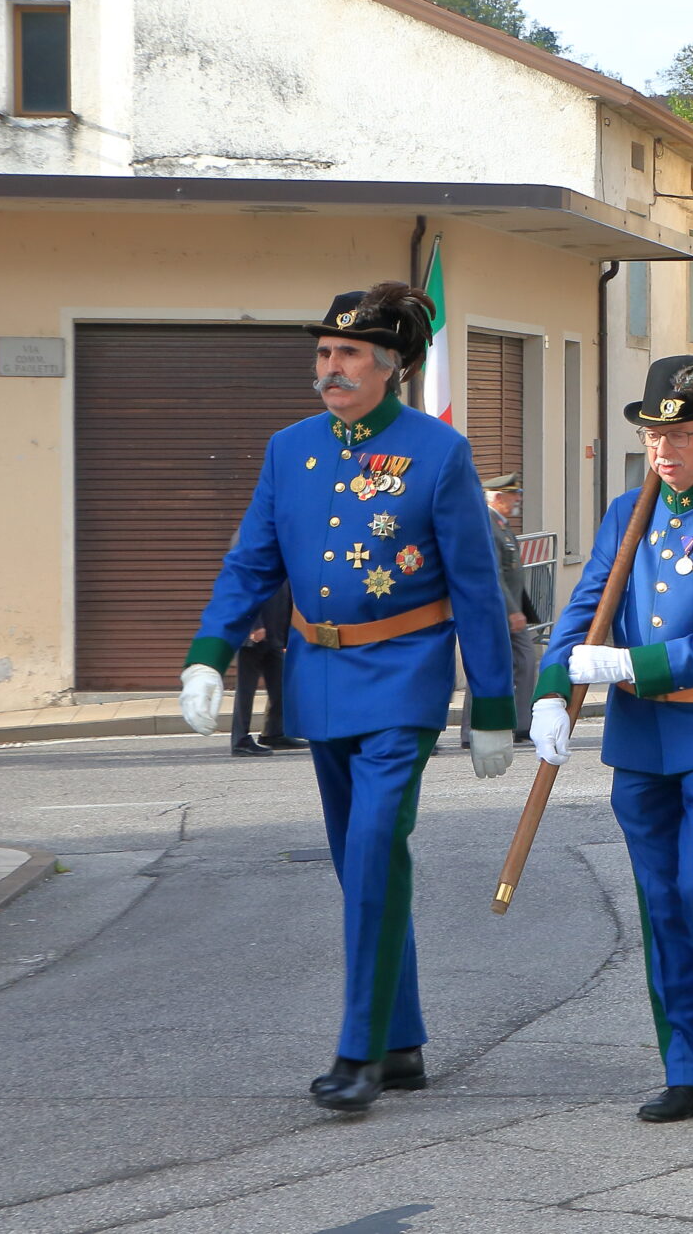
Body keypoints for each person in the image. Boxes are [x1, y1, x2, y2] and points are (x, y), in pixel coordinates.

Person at [178, 282, 516, 1114]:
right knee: (357, 863)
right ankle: (401, 1042)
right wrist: (208, 653)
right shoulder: (289, 448)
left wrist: (491, 703)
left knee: (371, 847)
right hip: (319, 680)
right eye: (324, 354)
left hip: (404, 675)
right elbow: (251, 560)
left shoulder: (437, 453)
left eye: (349, 355)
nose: (330, 369)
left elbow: (476, 583)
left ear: (391, 365)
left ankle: (358, 1051)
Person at [530, 339, 693, 1125]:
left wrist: (626, 664)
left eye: (681, 434)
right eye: (652, 434)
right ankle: (686, 1060)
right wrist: (550, 684)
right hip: (640, 738)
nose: (664, 449)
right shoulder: (626, 511)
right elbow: (586, 604)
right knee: (660, 898)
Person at [483, 471, 540, 740]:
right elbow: (494, 572)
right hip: (496, 610)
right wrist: (511, 610)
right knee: (490, 664)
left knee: (524, 661)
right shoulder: (488, 525)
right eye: (514, 494)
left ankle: (520, 722)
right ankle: (478, 728)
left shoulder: (501, 525)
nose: (518, 499)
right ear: (498, 497)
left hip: (511, 608)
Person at [229, 584, 298, 756]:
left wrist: (288, 636)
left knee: (282, 687)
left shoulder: (281, 565)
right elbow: (245, 592)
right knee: (246, 691)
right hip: (252, 639)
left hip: (274, 637)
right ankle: (240, 740)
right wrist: (254, 625)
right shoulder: (257, 563)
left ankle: (273, 733)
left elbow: (288, 600)